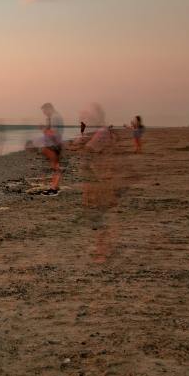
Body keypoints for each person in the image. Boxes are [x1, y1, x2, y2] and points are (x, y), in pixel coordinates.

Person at [79, 103, 121, 262]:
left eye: (86, 116)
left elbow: (88, 150)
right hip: (99, 179)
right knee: (99, 215)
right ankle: (103, 248)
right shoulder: (100, 131)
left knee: (100, 215)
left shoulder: (101, 133)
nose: (83, 118)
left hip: (100, 180)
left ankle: (103, 250)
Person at [39, 102, 64, 195]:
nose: (44, 113)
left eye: (44, 111)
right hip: (55, 143)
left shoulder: (54, 117)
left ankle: (53, 189)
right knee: (55, 165)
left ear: (49, 108)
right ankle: (55, 186)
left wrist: (43, 129)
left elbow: (54, 133)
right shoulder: (55, 117)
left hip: (54, 144)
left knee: (55, 166)